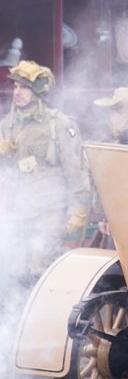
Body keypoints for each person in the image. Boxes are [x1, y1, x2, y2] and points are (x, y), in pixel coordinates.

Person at [0, 61, 90, 283]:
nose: (17, 92)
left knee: (42, 274)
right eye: (15, 87)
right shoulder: (6, 126)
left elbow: (77, 172)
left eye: (24, 87)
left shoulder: (59, 124)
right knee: (14, 275)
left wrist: (78, 213)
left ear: (39, 90)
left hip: (49, 216)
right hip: (16, 215)